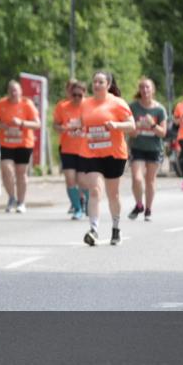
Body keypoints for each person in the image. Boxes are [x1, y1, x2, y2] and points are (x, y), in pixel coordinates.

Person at [78, 71, 135, 246]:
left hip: (114, 153)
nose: (96, 85)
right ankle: (94, 229)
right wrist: (79, 131)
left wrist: (116, 125)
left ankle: (116, 227)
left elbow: (132, 125)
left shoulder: (118, 103)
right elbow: (83, 125)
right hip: (91, 152)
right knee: (94, 190)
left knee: (113, 194)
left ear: (108, 85)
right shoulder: (85, 104)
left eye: (100, 82)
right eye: (94, 81)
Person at [0, 79, 40, 213]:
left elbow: (37, 124)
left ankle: (21, 202)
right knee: (6, 169)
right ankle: (11, 197)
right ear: (8, 92)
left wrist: (21, 123)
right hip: (6, 142)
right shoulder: (1, 104)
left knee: (21, 173)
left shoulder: (27, 104)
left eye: (16, 90)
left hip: (24, 143)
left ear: (21, 92)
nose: (13, 93)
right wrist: (1, 126)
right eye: (11, 90)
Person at [127, 77, 167, 222]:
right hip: (137, 147)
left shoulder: (159, 109)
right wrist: (136, 127)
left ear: (153, 90)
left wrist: (151, 125)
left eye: (147, 87)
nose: (145, 90)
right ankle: (139, 204)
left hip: (154, 148)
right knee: (137, 178)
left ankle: (148, 210)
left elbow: (163, 133)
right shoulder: (133, 107)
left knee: (150, 180)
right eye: (142, 87)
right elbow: (129, 130)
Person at [54, 80, 88, 220]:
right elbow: (55, 125)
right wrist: (60, 128)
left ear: (84, 94)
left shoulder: (89, 106)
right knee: (70, 180)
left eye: (80, 95)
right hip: (67, 148)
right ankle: (77, 208)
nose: (77, 98)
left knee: (82, 181)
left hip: (85, 149)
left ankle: (88, 203)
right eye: (74, 95)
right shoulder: (62, 107)